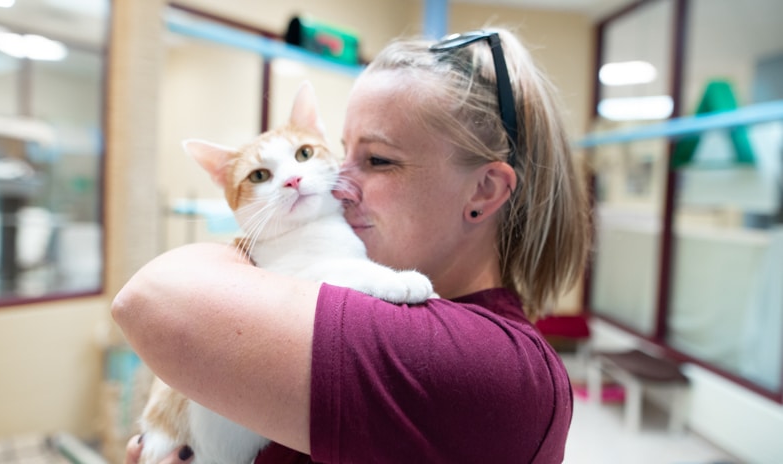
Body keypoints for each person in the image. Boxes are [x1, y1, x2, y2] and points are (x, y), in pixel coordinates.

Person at [113, 27, 589, 464]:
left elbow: (149, 297)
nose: (340, 183)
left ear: (483, 191)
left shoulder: (495, 368)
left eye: (379, 160)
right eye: (343, 152)